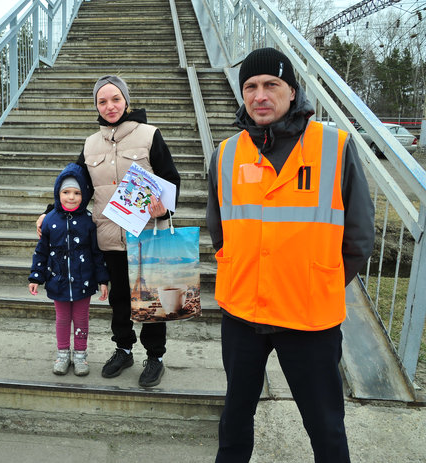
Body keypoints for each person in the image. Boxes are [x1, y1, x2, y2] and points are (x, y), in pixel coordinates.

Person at [206, 48, 375, 462]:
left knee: (325, 428)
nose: (259, 95)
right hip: (242, 313)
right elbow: (219, 231)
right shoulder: (226, 153)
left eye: (271, 85)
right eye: (250, 86)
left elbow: (359, 237)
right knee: (234, 421)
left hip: (309, 315)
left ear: (292, 90)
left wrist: (317, 279)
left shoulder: (334, 147)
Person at [37, 75, 180, 387]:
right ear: (96, 106)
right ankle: (123, 348)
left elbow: (170, 177)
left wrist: (164, 207)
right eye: (102, 101)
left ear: (126, 101)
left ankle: (154, 356)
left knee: (154, 300)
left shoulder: (149, 135)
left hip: (149, 232)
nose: (110, 106)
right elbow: (76, 183)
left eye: (115, 99)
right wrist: (50, 212)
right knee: (119, 299)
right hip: (109, 236)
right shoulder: (91, 144)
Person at [29, 163, 110, 376]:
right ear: (58, 193)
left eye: (76, 193)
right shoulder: (49, 221)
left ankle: (80, 355)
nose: (71, 197)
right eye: (66, 192)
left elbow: (97, 253)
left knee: (82, 320)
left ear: (84, 195)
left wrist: (103, 280)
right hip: (58, 281)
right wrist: (36, 277)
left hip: (84, 281)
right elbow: (41, 251)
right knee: (62, 319)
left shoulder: (89, 221)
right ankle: (63, 354)